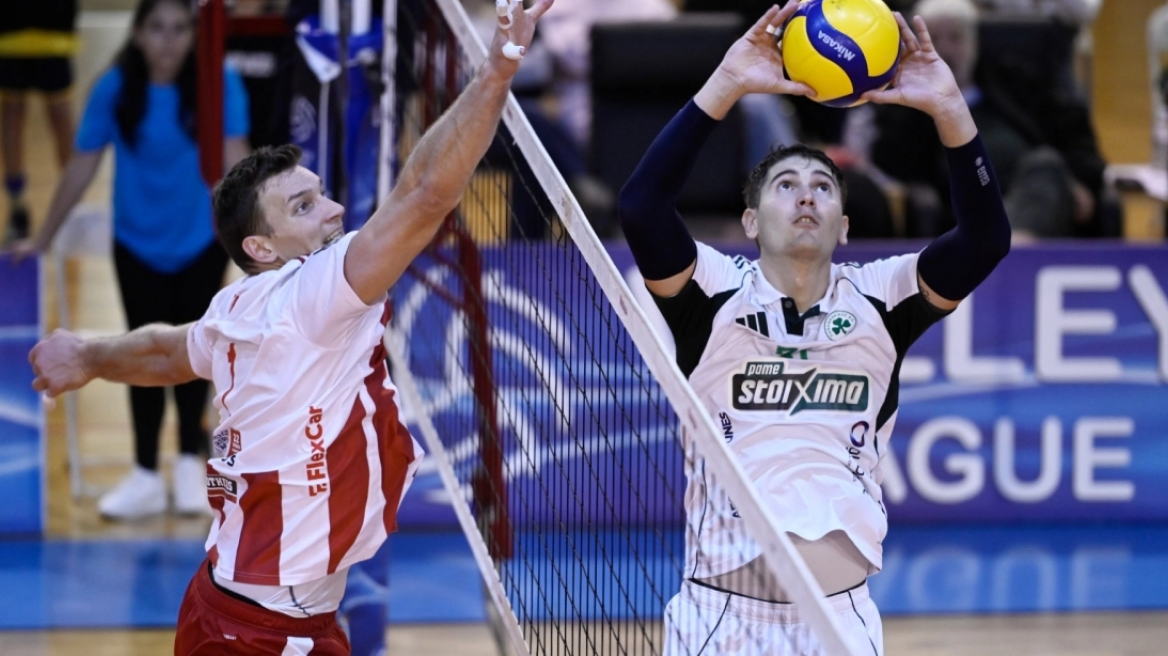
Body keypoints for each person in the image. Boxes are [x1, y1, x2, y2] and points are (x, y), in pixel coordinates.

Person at [28, 0, 551, 653]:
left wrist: (88, 355)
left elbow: (165, 353)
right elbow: (424, 194)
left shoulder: (237, 307)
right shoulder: (315, 292)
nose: (334, 210)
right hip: (263, 631)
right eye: (304, 206)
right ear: (262, 248)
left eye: (321, 193)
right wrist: (497, 69)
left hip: (241, 608)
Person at [618, 3, 1010, 654]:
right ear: (750, 222)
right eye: (786, 185)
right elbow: (641, 206)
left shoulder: (883, 298)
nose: (806, 196)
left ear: (844, 227)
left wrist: (948, 109)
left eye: (824, 187)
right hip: (721, 622)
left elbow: (985, 239)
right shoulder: (711, 294)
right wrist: (727, 83)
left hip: (841, 624)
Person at [11, 0, 252, 520]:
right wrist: (43, 238)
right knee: (138, 352)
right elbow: (80, 166)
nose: (168, 40)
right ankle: (144, 471)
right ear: (138, 34)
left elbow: (238, 167)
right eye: (156, 28)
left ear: (194, 35)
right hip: (136, 244)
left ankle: (187, 463)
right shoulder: (115, 88)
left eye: (179, 29)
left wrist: (260, 243)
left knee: (194, 354)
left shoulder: (220, 82)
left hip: (201, 241)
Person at [859, 0, 1109, 238]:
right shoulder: (909, 109)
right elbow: (891, 161)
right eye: (934, 39)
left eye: (955, 37)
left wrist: (1080, 181)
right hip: (964, 203)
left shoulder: (1017, 84)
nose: (946, 50)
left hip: (1032, 187)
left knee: (1046, 164)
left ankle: (1011, 249)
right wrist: (927, 104)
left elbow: (1076, 137)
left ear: (974, 42)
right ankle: (1013, 252)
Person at [0, 0, 78, 245]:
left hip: (53, 24)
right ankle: (17, 208)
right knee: (11, 112)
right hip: (11, 23)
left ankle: (71, 208)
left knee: (61, 115)